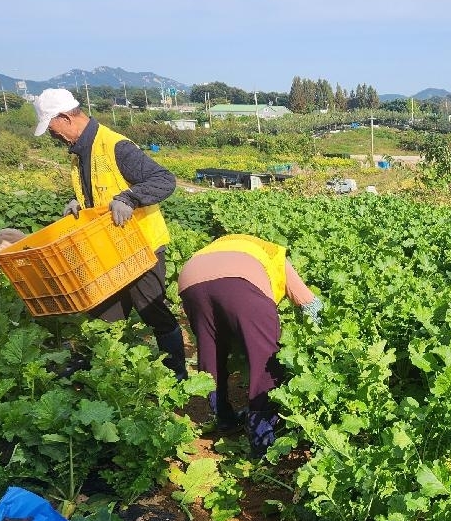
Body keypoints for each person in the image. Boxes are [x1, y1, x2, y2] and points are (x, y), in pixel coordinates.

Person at [32, 88, 186, 379]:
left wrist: (130, 197)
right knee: (104, 314)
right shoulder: (79, 153)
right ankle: (101, 370)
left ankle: (176, 374)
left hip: (140, 247)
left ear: (65, 117)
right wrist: (82, 204)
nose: (54, 137)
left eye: (53, 130)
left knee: (154, 311)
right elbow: (102, 193)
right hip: (108, 250)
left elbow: (165, 180)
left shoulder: (115, 146)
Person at [177, 234, 323, 457]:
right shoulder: (276, 254)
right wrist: (322, 333)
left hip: (190, 280)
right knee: (264, 358)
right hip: (240, 283)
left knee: (211, 349)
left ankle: (223, 418)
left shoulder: (227, 246)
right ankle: (262, 439)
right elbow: (309, 303)